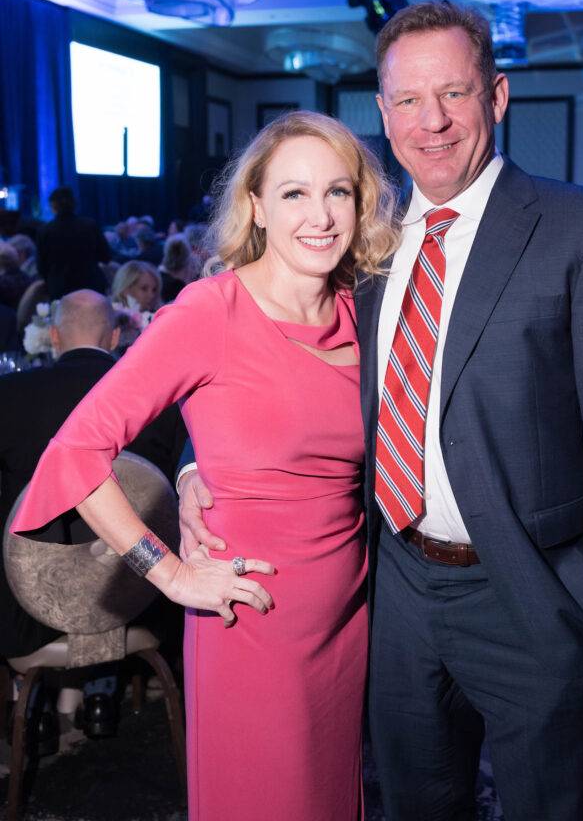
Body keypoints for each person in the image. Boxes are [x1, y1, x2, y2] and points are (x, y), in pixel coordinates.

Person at [178, 2, 583, 821]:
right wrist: (198, 468)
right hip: (393, 593)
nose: (432, 121)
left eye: (453, 93)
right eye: (408, 100)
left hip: (537, 594)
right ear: (382, 113)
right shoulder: (357, 244)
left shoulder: (581, 229)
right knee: (412, 803)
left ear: (498, 96)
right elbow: (268, 378)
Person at [11, 111, 399, 821]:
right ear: (254, 205)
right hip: (250, 618)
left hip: (348, 617)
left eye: (337, 192)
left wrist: (193, 466)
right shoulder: (208, 312)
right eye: (293, 194)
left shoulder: (359, 311)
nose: (319, 215)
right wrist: (170, 572)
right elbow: (76, 453)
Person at [0, 289, 187, 738]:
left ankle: (26, 703)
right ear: (117, 336)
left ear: (53, 336)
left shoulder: (11, 394)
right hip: (139, 602)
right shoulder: (158, 400)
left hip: (28, 618)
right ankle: (100, 689)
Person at [36, 186, 110, 299]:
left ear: (53, 205)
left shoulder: (45, 231)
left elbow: (41, 267)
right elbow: (105, 256)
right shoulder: (90, 225)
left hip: (60, 290)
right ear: (74, 203)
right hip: (91, 287)